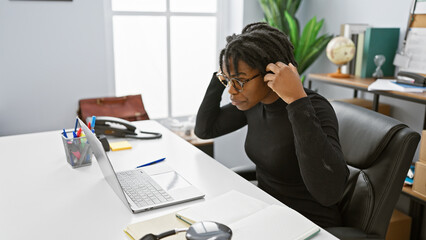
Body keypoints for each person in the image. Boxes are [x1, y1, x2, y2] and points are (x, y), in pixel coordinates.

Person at [194, 22, 349, 228]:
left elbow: (329, 192)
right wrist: (226, 70)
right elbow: (205, 129)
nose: (231, 91)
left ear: (270, 73)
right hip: (267, 213)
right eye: (227, 81)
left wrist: (296, 101)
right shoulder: (254, 103)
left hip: (308, 224)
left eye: (239, 81)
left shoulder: (313, 108)